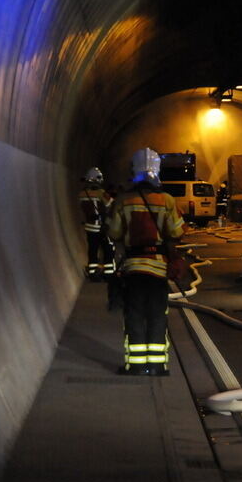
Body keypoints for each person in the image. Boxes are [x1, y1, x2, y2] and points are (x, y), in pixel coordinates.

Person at [106, 148, 186, 376]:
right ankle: (158, 365)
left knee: (134, 315)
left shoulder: (123, 201)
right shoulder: (167, 201)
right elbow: (177, 231)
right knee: (157, 315)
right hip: (158, 269)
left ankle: (137, 366)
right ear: (157, 171)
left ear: (134, 171)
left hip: (133, 268)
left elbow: (113, 233)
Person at [78, 167, 116, 280]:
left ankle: (92, 272)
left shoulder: (82, 194)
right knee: (108, 248)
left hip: (89, 227)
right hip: (100, 227)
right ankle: (109, 273)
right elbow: (110, 204)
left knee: (92, 249)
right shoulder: (100, 192)